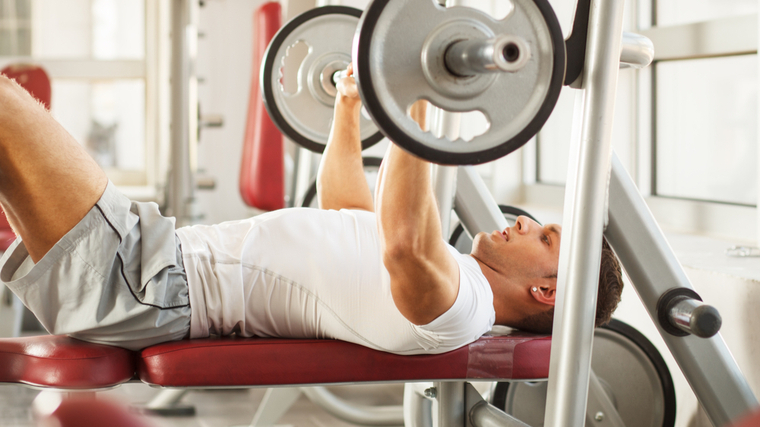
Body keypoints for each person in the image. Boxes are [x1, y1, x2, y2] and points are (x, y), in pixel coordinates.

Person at [0, 67, 623, 354]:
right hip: (153, 270)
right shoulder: (457, 279)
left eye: (545, 237)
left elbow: (404, 241)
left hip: (153, 283)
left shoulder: (464, 307)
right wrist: (351, 106)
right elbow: (347, 206)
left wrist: (420, 95)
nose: (524, 223)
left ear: (547, 292)